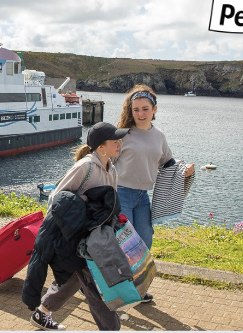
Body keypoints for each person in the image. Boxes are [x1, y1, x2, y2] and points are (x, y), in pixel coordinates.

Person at [22, 122, 127, 331]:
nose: (119, 143)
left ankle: (42, 313)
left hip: (92, 237)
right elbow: (56, 199)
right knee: (96, 287)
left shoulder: (111, 169)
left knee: (75, 279)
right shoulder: (85, 167)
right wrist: (71, 226)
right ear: (101, 147)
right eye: (115, 140)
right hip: (75, 238)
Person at [113, 84, 194, 302]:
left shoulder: (159, 137)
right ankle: (114, 287)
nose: (140, 113)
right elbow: (106, 162)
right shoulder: (122, 134)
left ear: (154, 110)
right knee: (124, 244)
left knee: (144, 243)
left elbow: (168, 164)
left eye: (145, 109)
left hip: (142, 197)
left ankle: (136, 287)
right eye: (136, 109)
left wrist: (184, 172)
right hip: (121, 194)